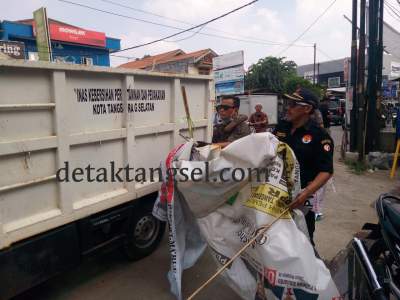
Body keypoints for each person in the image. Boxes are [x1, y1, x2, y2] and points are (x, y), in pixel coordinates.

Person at [273, 88, 334, 246]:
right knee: (275, 238)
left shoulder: (319, 136)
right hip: (275, 192)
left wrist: (305, 194)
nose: (288, 107)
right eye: (288, 103)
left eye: (293, 104)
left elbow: (326, 171)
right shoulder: (281, 127)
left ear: (307, 109)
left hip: (301, 198)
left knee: (303, 240)